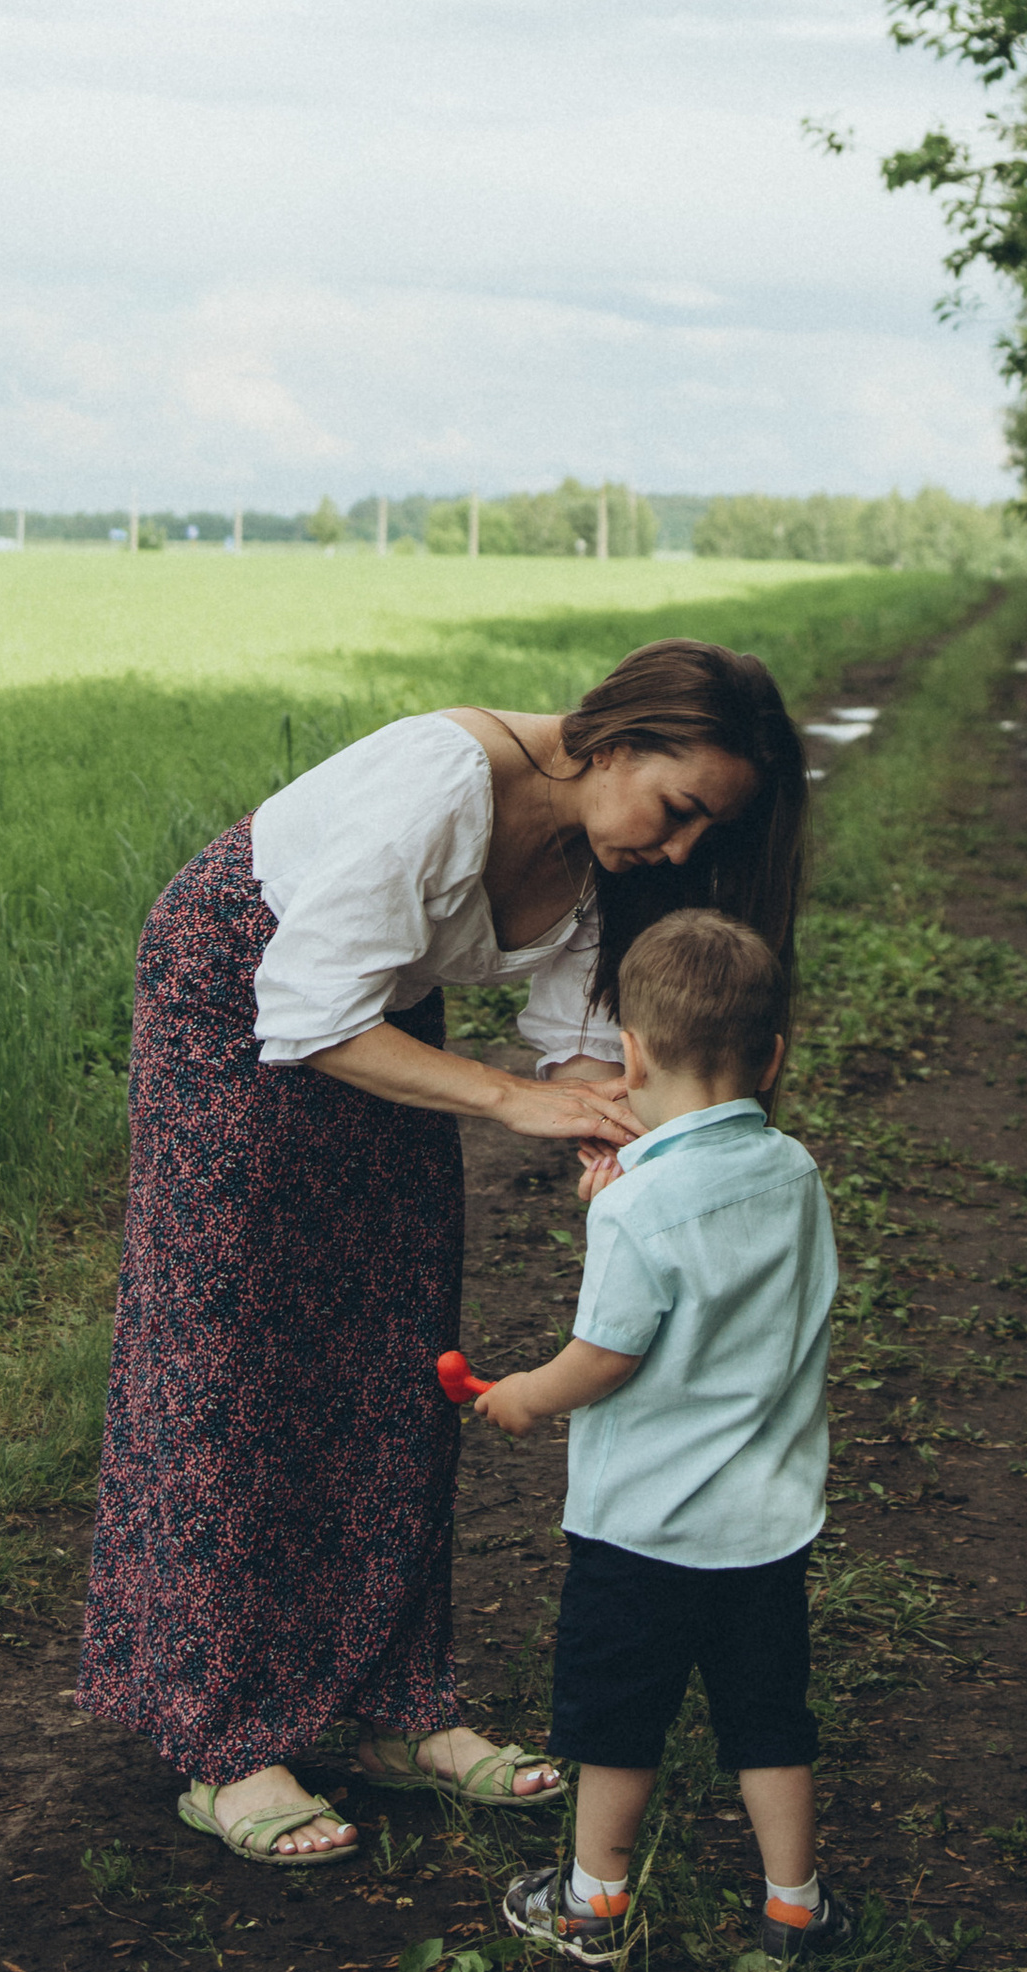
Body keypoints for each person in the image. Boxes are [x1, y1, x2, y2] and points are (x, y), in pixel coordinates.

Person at [76, 641, 811, 1866]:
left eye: (704, 834)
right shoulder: (441, 783)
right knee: (232, 1355)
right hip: (241, 999)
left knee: (393, 1336)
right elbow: (307, 1011)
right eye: (678, 810)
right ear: (615, 740)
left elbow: (574, 1050)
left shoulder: (593, 855)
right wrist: (512, 1105)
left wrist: (632, 1141)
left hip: (375, 1016)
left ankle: (387, 1703)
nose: (680, 851)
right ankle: (221, 1738)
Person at [479, 907, 851, 1969]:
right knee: (769, 1719)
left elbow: (609, 1352)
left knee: (616, 1720)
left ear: (629, 1053)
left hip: (641, 1527)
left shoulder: (636, 1212)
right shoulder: (794, 1173)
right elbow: (726, 1279)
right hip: (766, 1526)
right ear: (772, 1056)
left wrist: (526, 1397)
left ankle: (594, 1903)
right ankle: (794, 1905)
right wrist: (619, 1204)